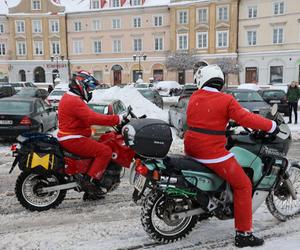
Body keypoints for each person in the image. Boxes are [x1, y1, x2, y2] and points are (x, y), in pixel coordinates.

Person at [184, 65, 279, 248]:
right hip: (210, 152)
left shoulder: (194, 96)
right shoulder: (225, 99)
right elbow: (246, 118)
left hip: (192, 147)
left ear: (202, 80)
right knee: (243, 184)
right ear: (220, 81)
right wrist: (271, 126)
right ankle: (244, 234)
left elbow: (204, 119)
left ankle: (206, 207)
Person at [57, 70, 124, 198]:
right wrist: (117, 119)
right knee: (105, 151)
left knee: (105, 140)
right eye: (89, 88)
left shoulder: (70, 97)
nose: (90, 91)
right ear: (81, 85)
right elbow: (92, 118)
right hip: (73, 138)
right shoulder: (74, 101)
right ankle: (89, 183)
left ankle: (93, 179)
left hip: (72, 136)